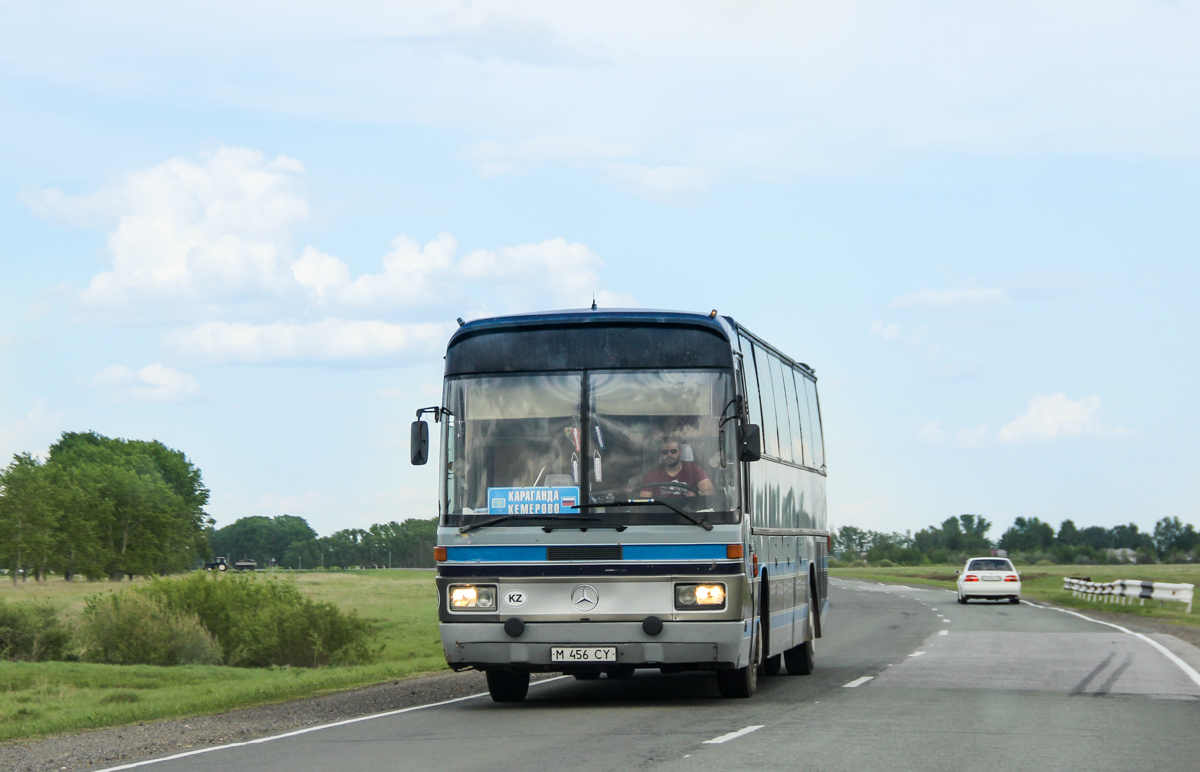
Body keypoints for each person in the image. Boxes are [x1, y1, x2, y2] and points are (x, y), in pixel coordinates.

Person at [639, 438, 715, 498]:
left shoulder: (693, 469)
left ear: (680, 452)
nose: (669, 455)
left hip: (689, 515)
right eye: (665, 452)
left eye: (673, 451)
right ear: (661, 454)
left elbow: (711, 491)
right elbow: (644, 499)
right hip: (661, 514)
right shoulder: (653, 473)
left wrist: (697, 493)